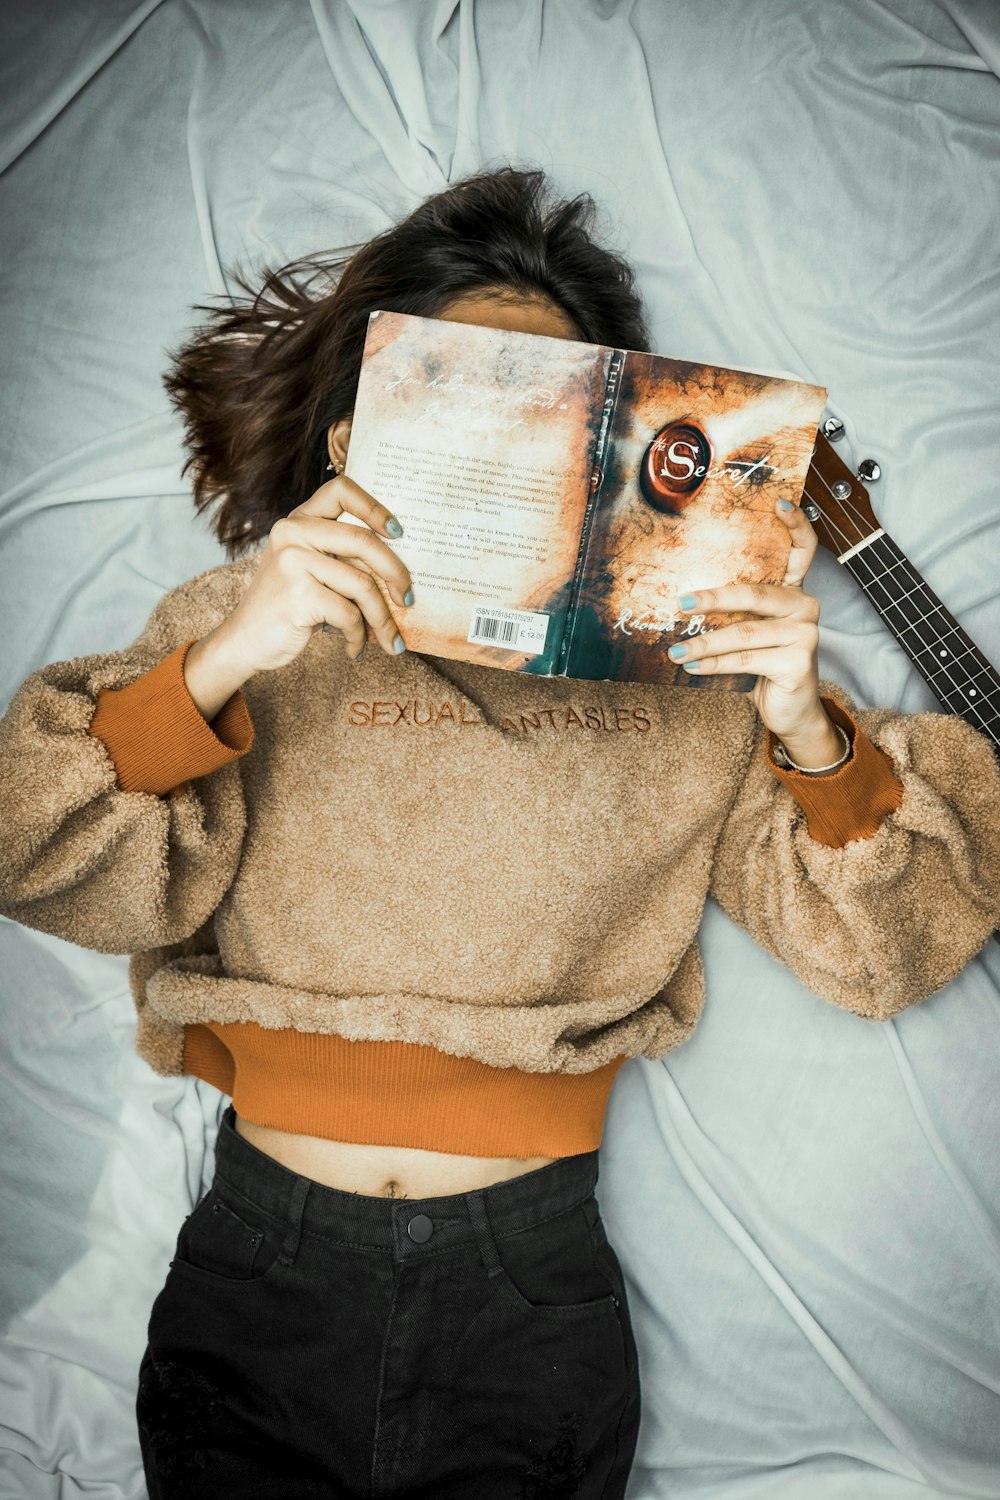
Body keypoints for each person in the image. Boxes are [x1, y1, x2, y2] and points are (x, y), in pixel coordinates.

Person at [1, 165, 998, 1500]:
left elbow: (890, 948)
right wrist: (226, 657)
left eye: (557, 413)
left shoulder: (692, 679)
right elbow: (34, 845)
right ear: (355, 439)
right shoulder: (247, 620)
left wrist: (808, 726)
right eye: (466, 399)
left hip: (528, 1286)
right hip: (262, 1268)